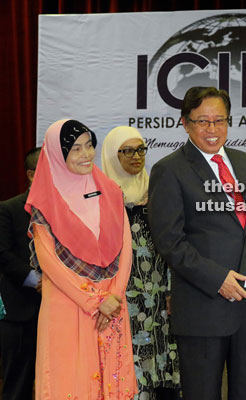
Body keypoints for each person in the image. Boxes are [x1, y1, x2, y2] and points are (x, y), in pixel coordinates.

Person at [148, 86, 246, 399]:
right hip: (204, 306)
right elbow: (169, 242)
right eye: (203, 121)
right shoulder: (169, 170)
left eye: (220, 120)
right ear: (185, 123)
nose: (213, 129)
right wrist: (218, 279)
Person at [25, 119, 137, 399]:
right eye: (75, 149)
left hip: (112, 307)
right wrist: (94, 302)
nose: (86, 154)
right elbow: (50, 263)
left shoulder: (111, 191)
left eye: (89, 145)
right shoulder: (45, 203)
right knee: (70, 382)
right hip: (69, 307)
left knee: (112, 381)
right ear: (57, 155)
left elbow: (125, 249)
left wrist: (114, 296)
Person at [101, 126, 181, 400]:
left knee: (163, 362)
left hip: (159, 293)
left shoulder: (156, 191)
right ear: (113, 155)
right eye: (128, 151)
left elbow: (173, 244)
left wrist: (172, 289)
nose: (137, 157)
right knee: (131, 364)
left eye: (141, 150)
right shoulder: (100, 198)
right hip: (123, 297)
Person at [0, 147, 42, 400]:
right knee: (18, 385)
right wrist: (38, 281)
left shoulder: (66, 211)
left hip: (61, 311)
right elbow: (3, 254)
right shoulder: (8, 208)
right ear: (30, 174)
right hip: (20, 311)